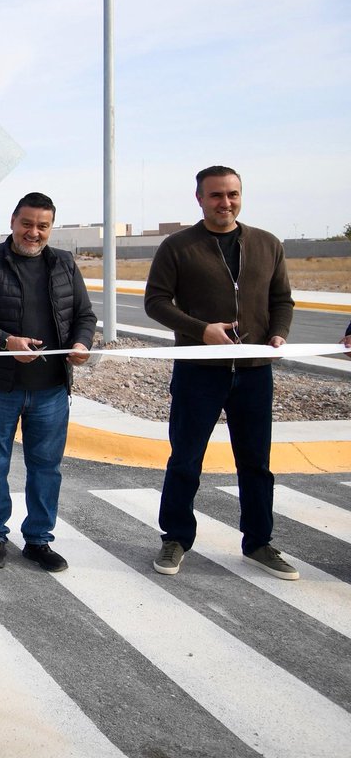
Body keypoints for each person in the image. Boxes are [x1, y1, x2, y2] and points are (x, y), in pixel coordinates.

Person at [145, 165, 296, 579]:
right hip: (199, 372)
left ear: (240, 196)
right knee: (186, 459)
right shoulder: (178, 246)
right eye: (215, 196)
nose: (224, 203)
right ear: (199, 199)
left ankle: (259, 542)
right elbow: (156, 302)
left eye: (232, 194)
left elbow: (282, 300)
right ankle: (175, 538)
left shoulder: (267, 244)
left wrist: (278, 335)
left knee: (256, 462)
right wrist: (201, 331)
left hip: (254, 373)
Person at [0, 192, 96, 572]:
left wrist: (82, 343)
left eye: (42, 226)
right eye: (27, 224)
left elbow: (84, 315)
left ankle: (38, 539)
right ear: (13, 222)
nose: (33, 232)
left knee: (46, 467)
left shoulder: (64, 264)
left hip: (51, 388)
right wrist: (6, 342)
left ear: (50, 227)